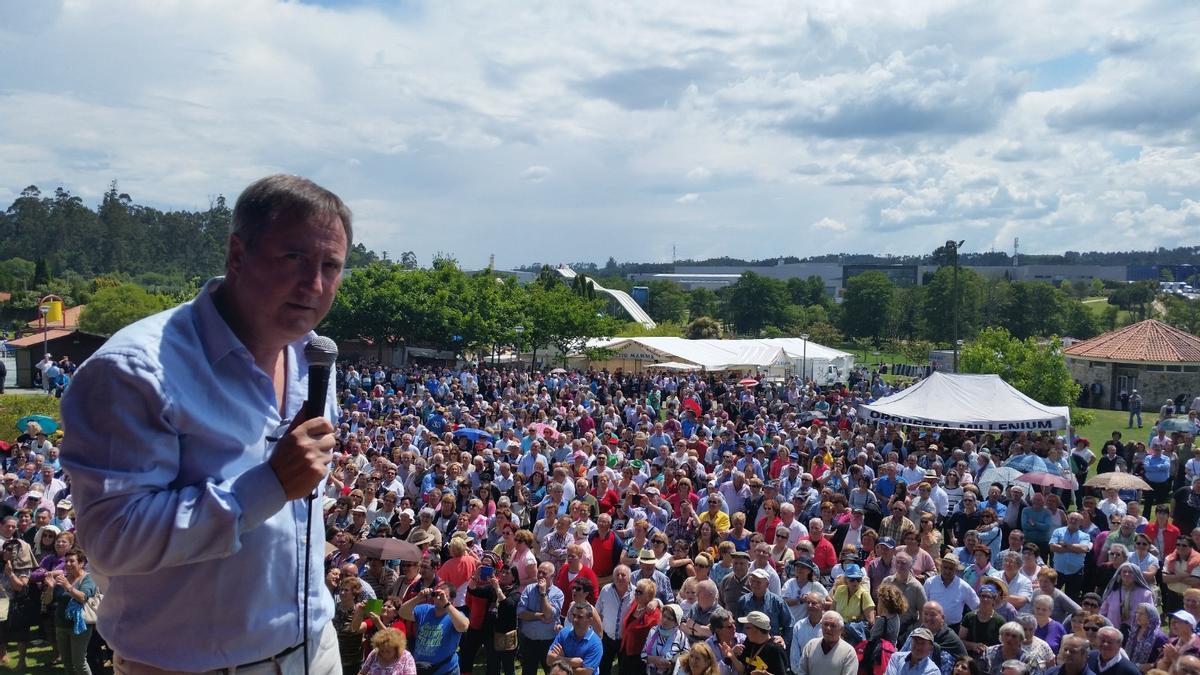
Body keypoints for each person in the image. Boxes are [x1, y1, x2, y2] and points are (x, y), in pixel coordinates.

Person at [61, 175, 352, 672]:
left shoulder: (313, 358)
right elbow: (112, 540)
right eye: (294, 258)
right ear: (238, 255)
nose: (316, 285)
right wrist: (268, 485)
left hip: (315, 649)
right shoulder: (136, 371)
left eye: (331, 266)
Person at [43, 547, 97, 675]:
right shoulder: (63, 578)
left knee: (79, 662)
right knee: (67, 662)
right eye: (66, 561)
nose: (68, 564)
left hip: (80, 626)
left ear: (81, 563)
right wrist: (50, 588)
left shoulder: (88, 578)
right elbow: (47, 601)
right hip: (61, 625)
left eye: (72, 561)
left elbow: (83, 597)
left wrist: (67, 586)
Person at [399, 581, 470, 675]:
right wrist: (417, 598)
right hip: (421, 668)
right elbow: (402, 613)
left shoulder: (455, 615)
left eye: (443, 596)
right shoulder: (425, 609)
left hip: (446, 670)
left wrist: (446, 604)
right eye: (436, 594)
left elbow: (463, 626)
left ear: (452, 599)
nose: (438, 598)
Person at [520, 562, 567, 675]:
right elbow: (520, 613)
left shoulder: (558, 594)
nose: (540, 575)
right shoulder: (528, 589)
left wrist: (543, 593)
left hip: (549, 643)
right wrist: (540, 616)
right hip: (529, 641)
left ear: (552, 576)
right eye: (539, 572)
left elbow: (549, 615)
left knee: (551, 672)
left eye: (544, 573)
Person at [619, 579, 662, 675]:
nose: (636, 594)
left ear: (649, 596)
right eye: (636, 591)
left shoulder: (654, 614)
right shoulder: (635, 604)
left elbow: (654, 637)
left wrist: (656, 602)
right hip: (626, 650)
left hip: (639, 656)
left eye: (640, 592)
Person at [548, 602, 605, 675]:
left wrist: (560, 660)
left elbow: (585, 672)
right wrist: (573, 662)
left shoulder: (595, 644)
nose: (575, 619)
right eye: (574, 615)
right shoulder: (564, 633)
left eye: (580, 617)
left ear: (590, 620)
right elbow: (549, 660)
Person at [795, 611, 858, 675]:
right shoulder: (811, 646)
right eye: (825, 624)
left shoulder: (848, 652)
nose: (828, 628)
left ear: (841, 629)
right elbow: (802, 671)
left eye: (833, 625)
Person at [732, 610, 789, 675]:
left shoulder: (775, 649)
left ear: (756, 630)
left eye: (747, 628)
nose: (744, 630)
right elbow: (743, 669)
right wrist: (732, 656)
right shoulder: (749, 642)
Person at [1050, 513, 1091, 600]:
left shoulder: (1085, 536)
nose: (1073, 521)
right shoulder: (1058, 531)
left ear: (1080, 522)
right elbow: (1053, 547)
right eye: (1071, 518)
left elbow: (1083, 548)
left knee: (1072, 599)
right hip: (1058, 570)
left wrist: (1065, 545)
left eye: (1076, 520)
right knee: (1052, 596)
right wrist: (1075, 549)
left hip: (1075, 572)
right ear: (1067, 519)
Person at [641, 603, 688, 675]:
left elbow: (686, 658)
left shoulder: (680, 636)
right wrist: (654, 659)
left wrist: (671, 664)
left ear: (676, 622)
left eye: (669, 619)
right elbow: (643, 655)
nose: (665, 620)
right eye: (664, 616)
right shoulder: (653, 631)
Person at [1123, 603, 1167, 673]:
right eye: (1137, 613)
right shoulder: (1134, 632)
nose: (1137, 616)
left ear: (1151, 616)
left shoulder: (1159, 637)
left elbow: (1165, 657)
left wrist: (1153, 665)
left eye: (1141, 614)